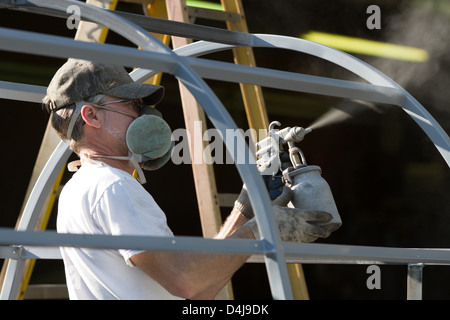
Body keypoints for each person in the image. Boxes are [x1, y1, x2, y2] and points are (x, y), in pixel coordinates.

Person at [42, 58, 334, 300]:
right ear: (91, 115)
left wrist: (244, 213)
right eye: (130, 103)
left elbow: (196, 287)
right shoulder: (114, 188)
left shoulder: (78, 188)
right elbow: (186, 282)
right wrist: (259, 231)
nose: (144, 112)